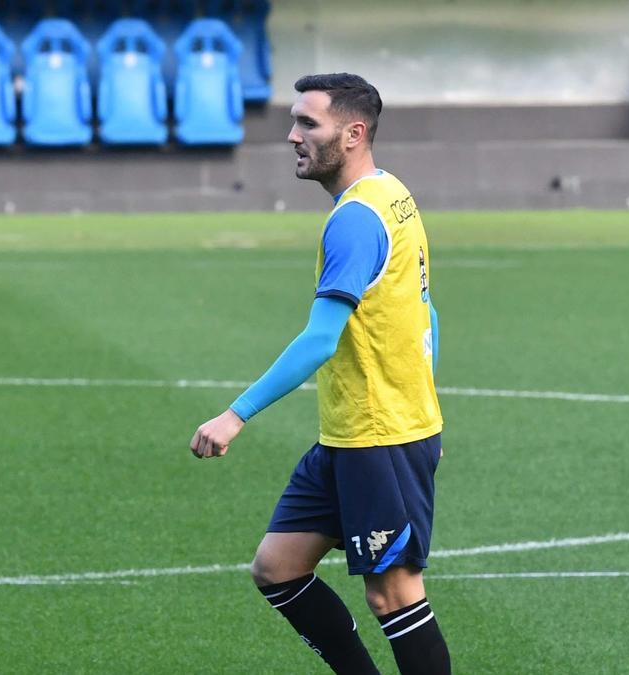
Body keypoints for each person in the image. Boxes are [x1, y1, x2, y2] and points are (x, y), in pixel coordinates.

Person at [189, 73, 450, 675]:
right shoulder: (393, 193)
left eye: (309, 124)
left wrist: (235, 415)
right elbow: (427, 305)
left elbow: (319, 340)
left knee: (394, 594)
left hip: (381, 437)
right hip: (352, 435)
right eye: (294, 121)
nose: (292, 136)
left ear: (353, 133)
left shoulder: (356, 220)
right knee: (277, 568)